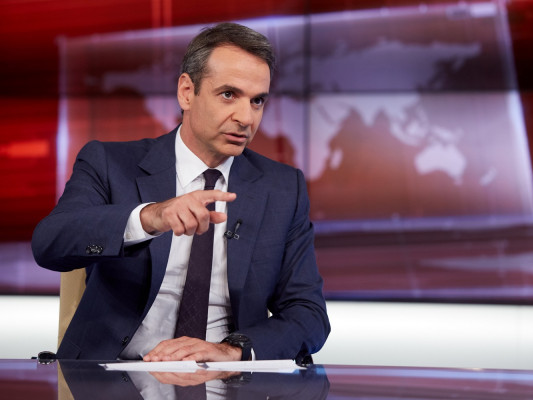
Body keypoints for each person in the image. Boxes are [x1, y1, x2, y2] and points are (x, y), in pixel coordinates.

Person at [32, 22, 330, 363]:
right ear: (187, 92)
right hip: (116, 372)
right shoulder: (110, 163)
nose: (246, 118)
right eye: (229, 95)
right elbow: (50, 244)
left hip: (224, 377)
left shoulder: (282, 188)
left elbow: (308, 315)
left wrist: (231, 350)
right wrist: (150, 217)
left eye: (257, 101)